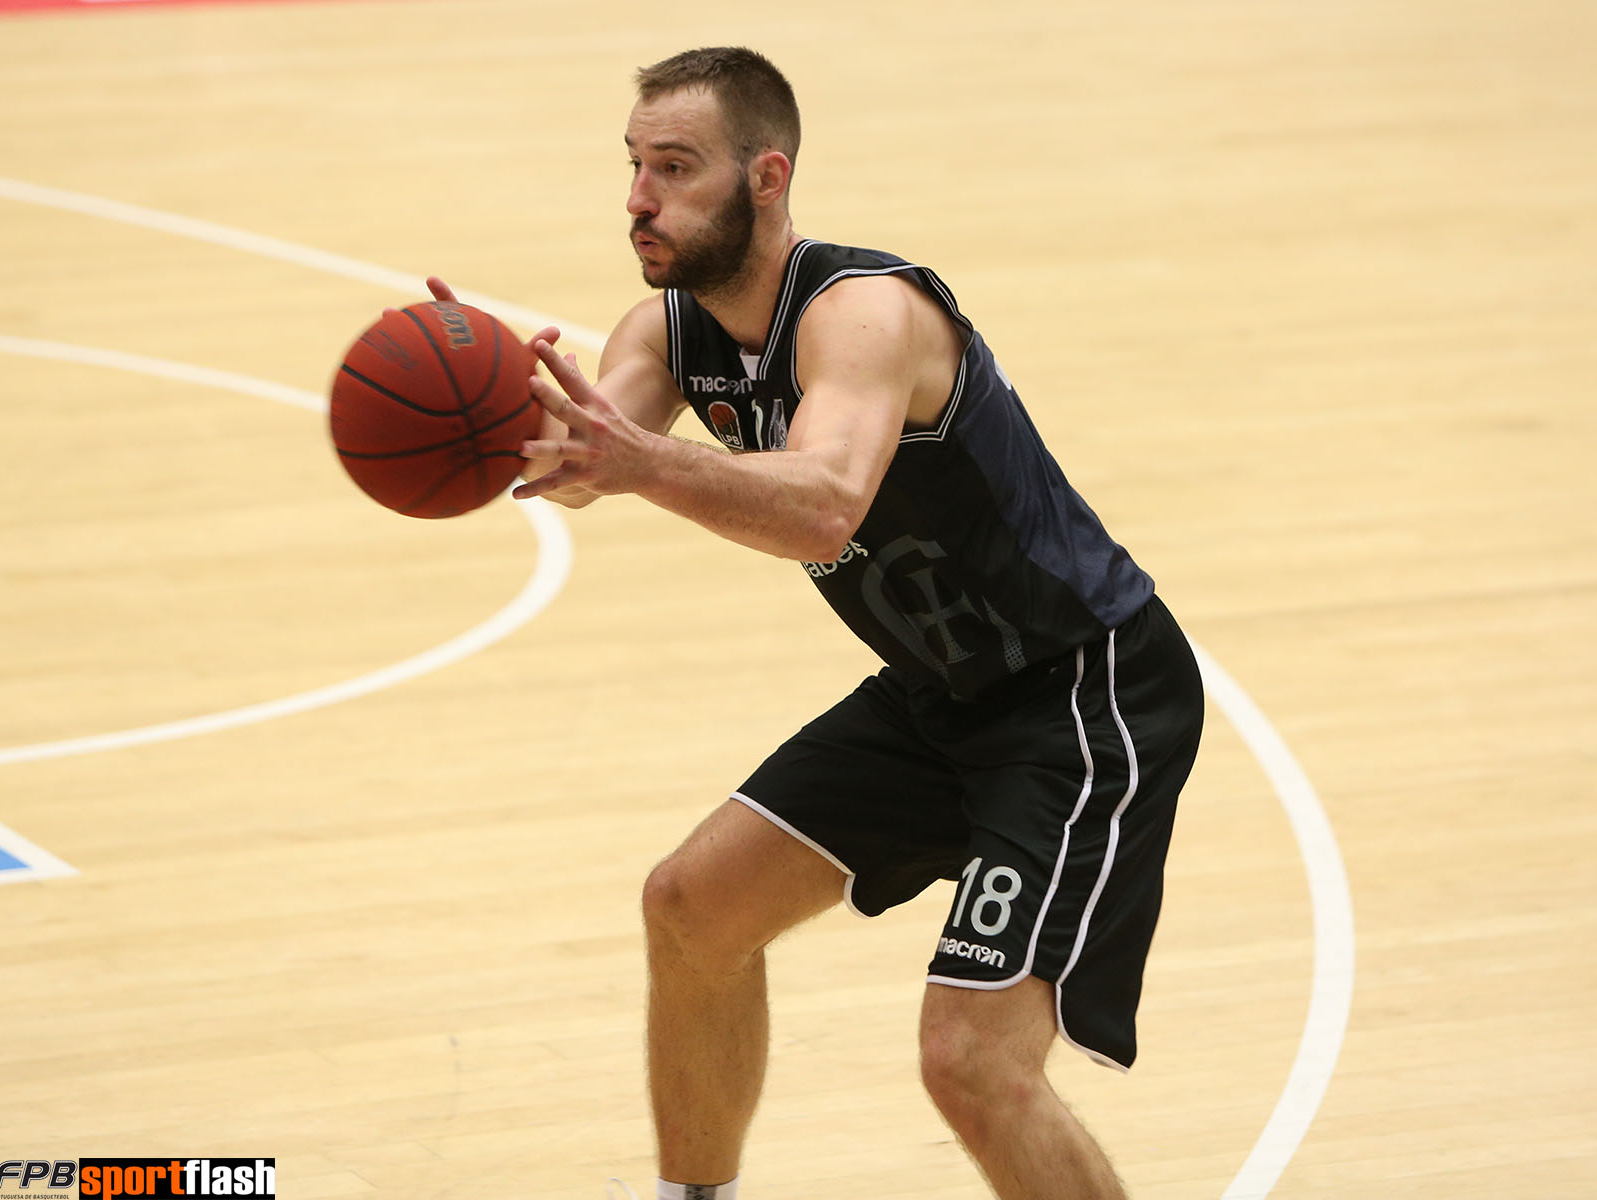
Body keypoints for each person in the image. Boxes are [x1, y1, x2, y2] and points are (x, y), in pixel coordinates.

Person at [432, 45, 1204, 1200]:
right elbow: (592, 461)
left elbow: (822, 503)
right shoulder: (666, 334)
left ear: (767, 177)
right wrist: (493, 407)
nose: (641, 197)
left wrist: (633, 459)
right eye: (635, 166)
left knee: (972, 1064)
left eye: (677, 168)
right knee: (690, 910)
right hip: (940, 695)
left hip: (1080, 697)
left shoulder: (864, 313)